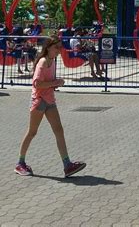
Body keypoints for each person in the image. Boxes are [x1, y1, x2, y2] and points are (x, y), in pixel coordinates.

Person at [14, 35, 86, 178]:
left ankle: (67, 165)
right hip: (39, 101)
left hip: (49, 100)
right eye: (56, 47)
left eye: (60, 47)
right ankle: (20, 163)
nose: (59, 50)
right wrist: (56, 83)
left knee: (59, 130)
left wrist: (56, 82)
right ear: (48, 48)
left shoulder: (52, 60)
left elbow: (48, 81)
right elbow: (37, 84)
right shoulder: (43, 62)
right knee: (32, 132)